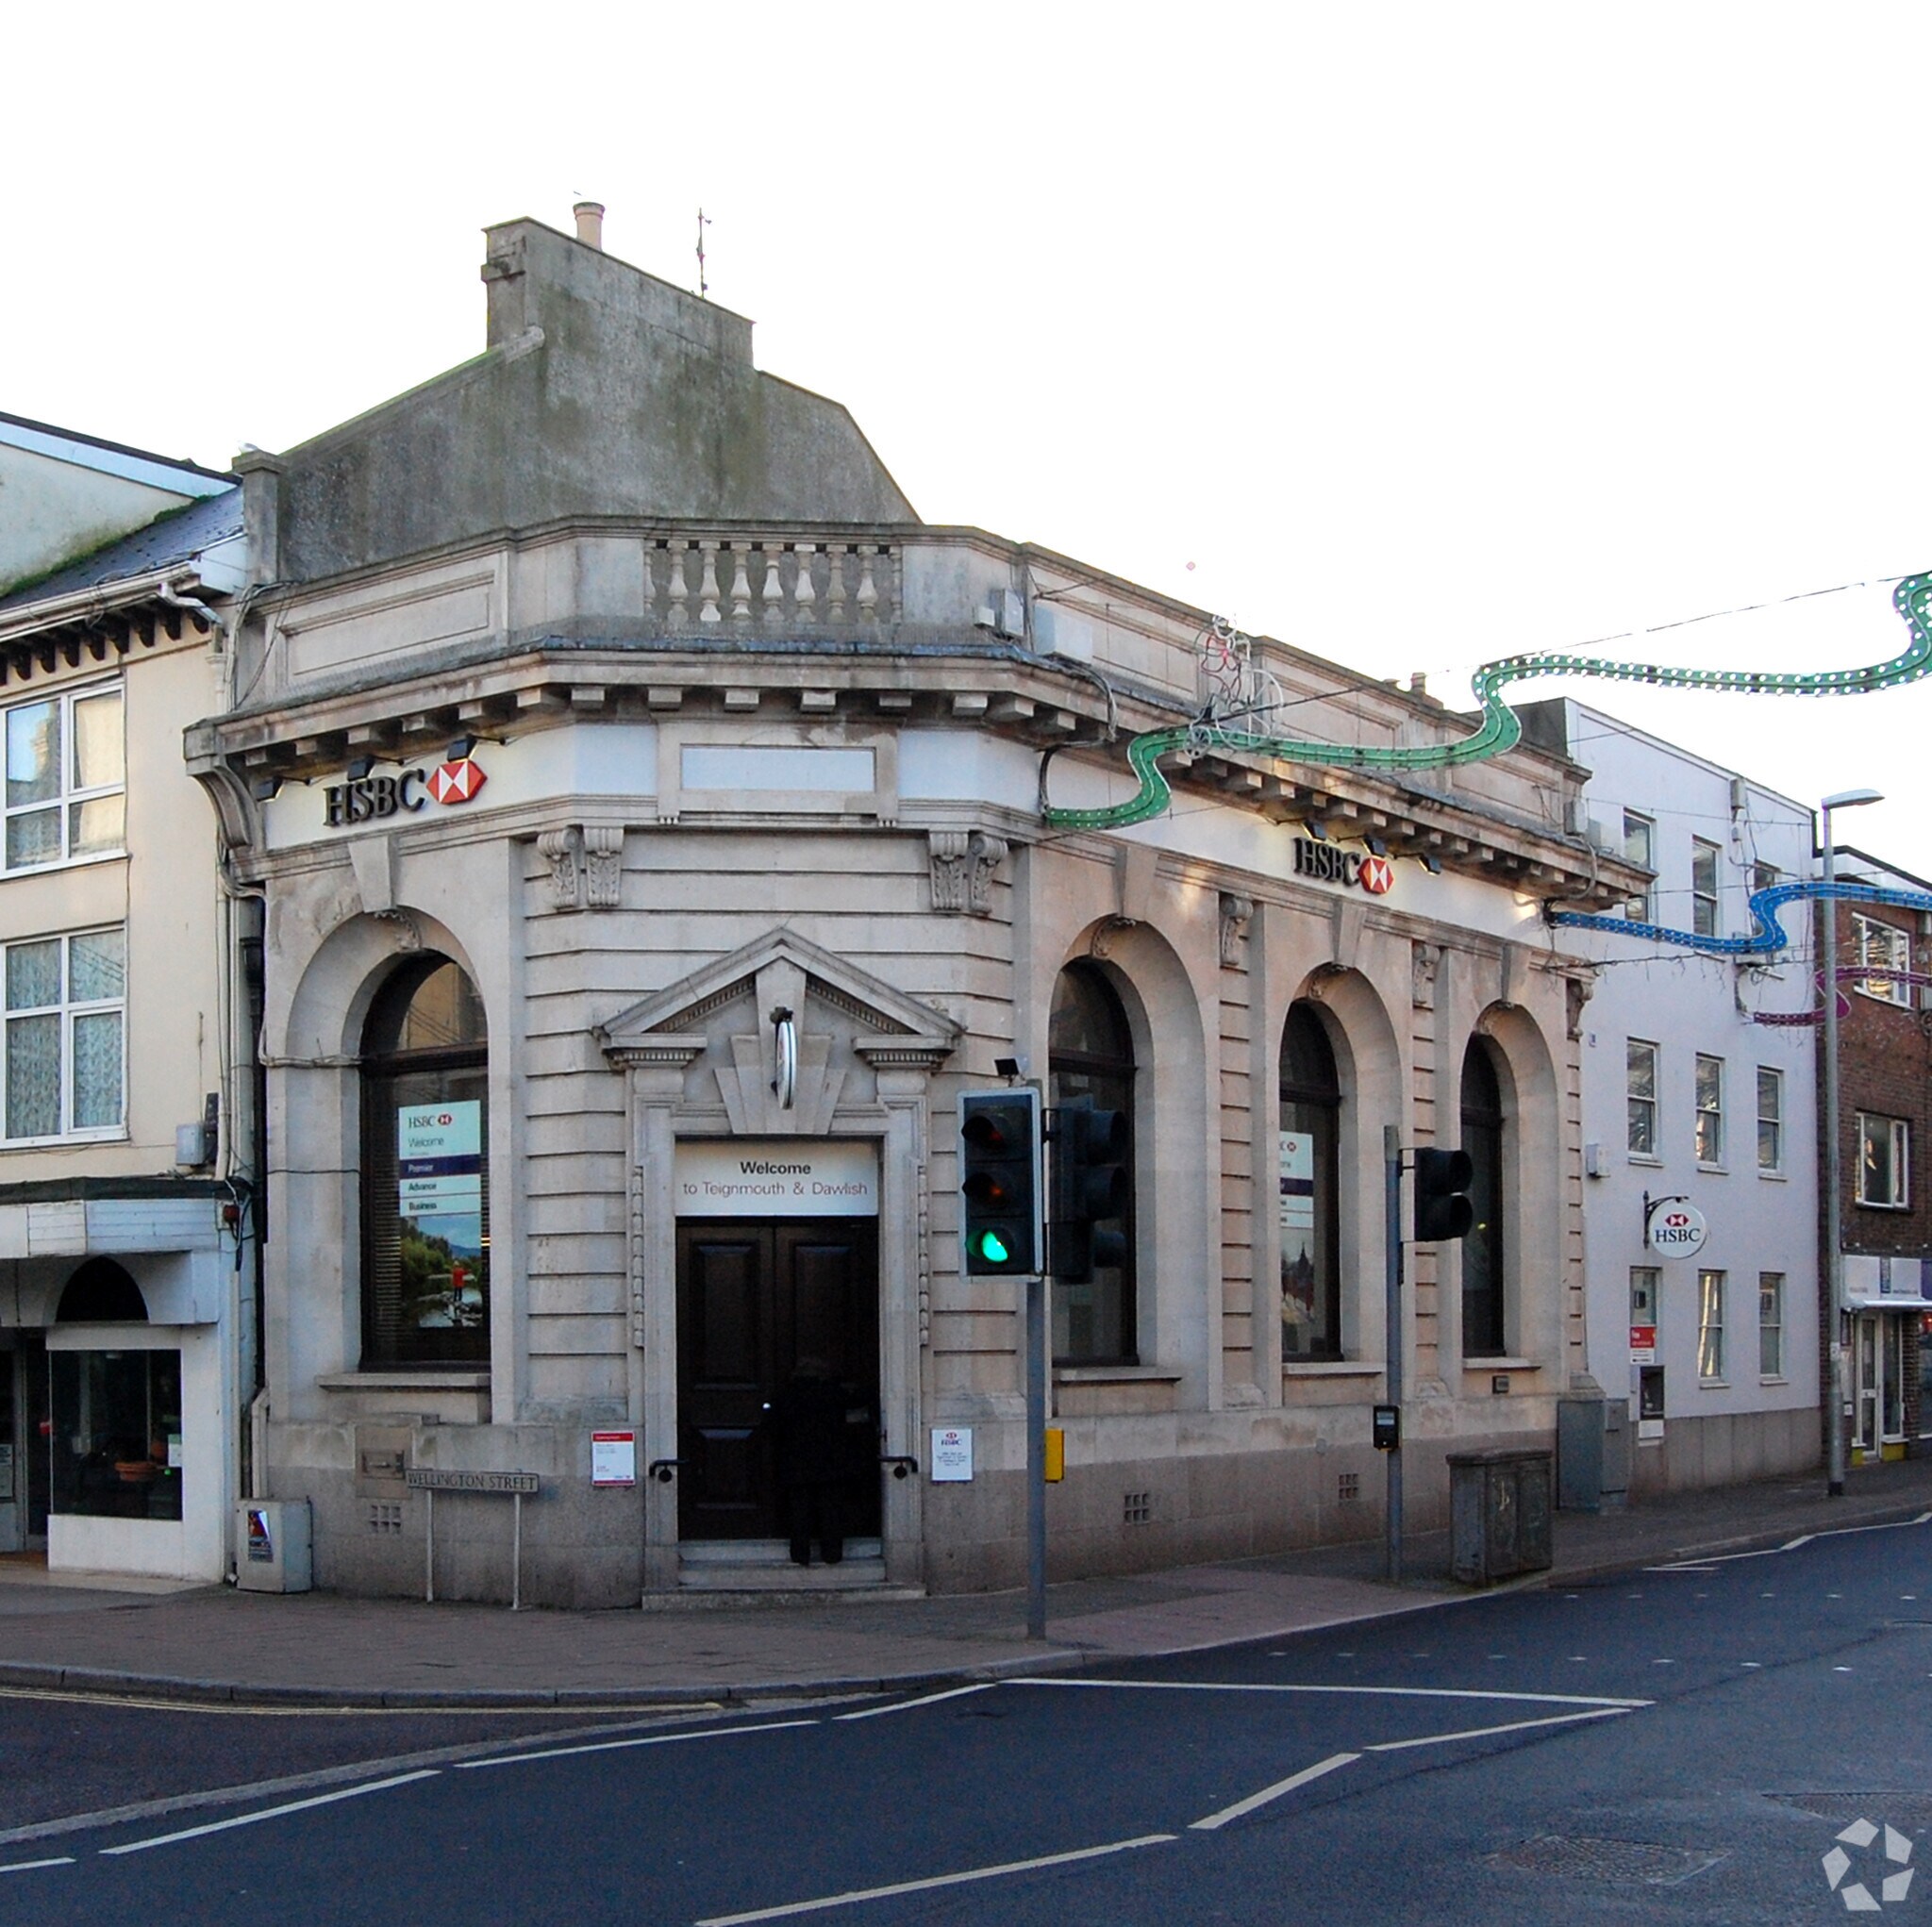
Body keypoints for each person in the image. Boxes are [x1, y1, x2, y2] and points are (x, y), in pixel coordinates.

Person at [768, 1357, 849, 1566]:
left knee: (799, 1510)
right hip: (830, 1460)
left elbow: (773, 1426)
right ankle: (832, 1554)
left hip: (796, 1461)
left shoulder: (786, 1395)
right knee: (830, 1509)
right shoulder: (833, 1393)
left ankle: (800, 1554)